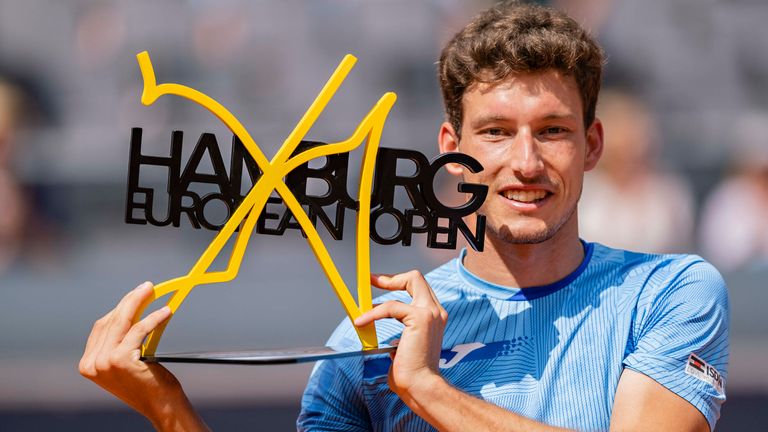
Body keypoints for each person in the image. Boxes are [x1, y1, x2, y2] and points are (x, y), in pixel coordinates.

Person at [80, 2, 729, 431]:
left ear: (591, 146)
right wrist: (166, 410)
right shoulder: (365, 336)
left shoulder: (671, 292)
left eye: (552, 130)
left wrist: (423, 385)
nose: (526, 162)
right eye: (497, 132)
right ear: (453, 150)